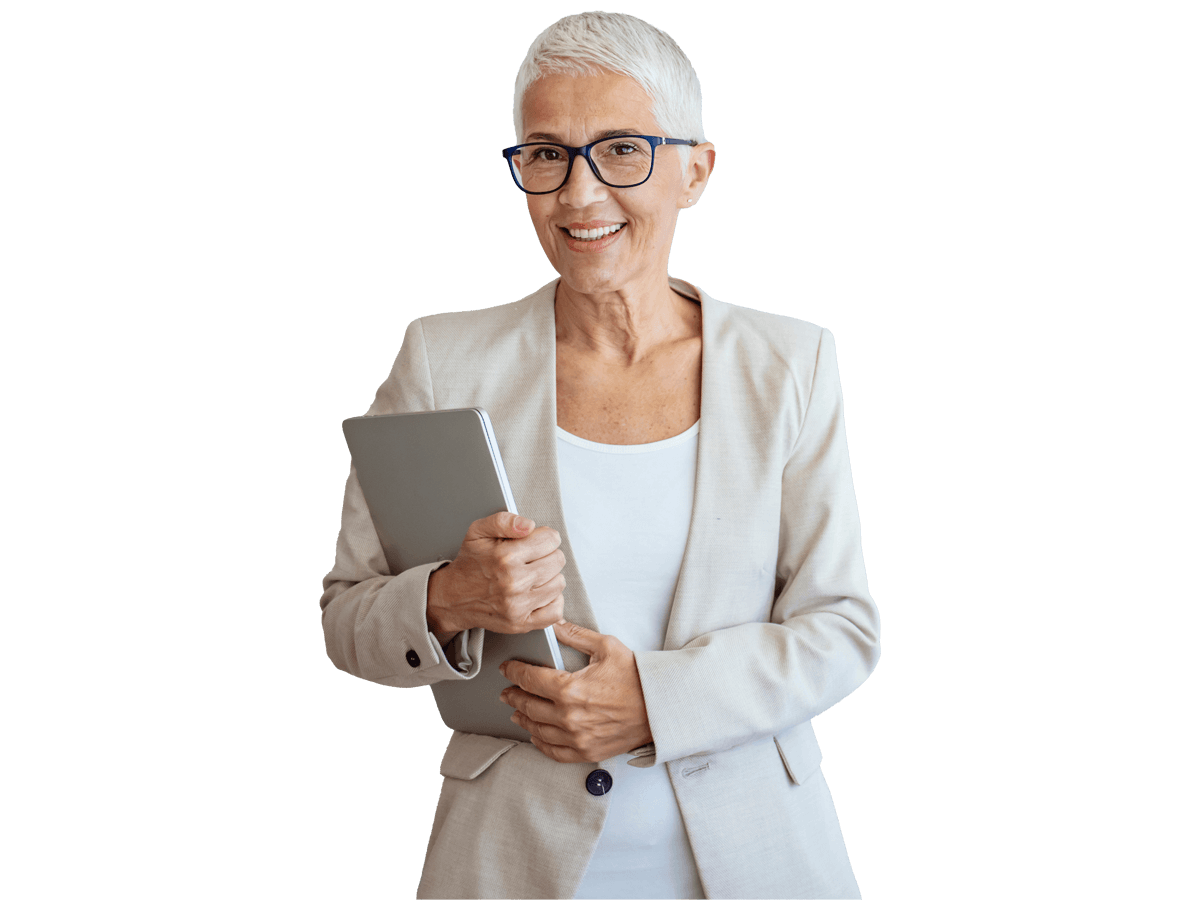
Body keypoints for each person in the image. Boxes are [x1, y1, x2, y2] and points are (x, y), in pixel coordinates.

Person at [319, 11, 880, 899]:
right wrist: (451, 596)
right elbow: (347, 620)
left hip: (759, 859)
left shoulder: (792, 362)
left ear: (694, 171)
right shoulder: (442, 358)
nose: (580, 195)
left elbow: (842, 629)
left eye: (622, 150)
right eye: (546, 154)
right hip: (507, 862)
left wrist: (653, 701)